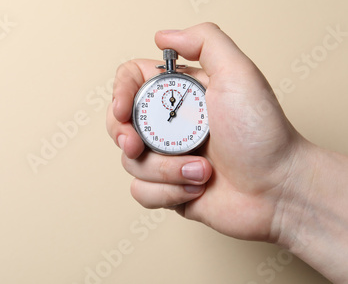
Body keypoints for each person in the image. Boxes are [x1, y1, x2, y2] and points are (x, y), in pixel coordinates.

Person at [106, 23, 348, 283]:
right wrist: (285, 194)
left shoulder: (195, 91)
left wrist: (285, 183)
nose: (173, 112)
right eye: (170, 110)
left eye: (174, 109)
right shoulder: (161, 94)